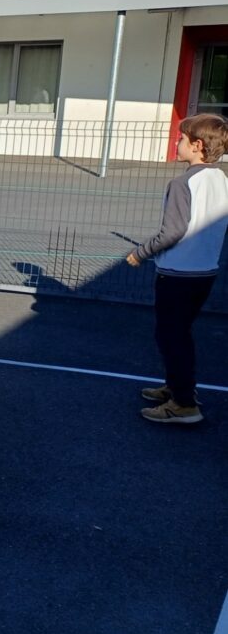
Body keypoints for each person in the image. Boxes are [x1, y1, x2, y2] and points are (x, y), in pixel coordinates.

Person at [125, 112, 228, 424]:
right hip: (205, 273)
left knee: (171, 336)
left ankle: (183, 404)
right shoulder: (221, 179)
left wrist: (140, 252)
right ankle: (176, 387)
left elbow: (172, 232)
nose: (176, 142)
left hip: (178, 275)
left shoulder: (183, 183)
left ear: (197, 146)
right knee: (179, 333)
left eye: (182, 138)